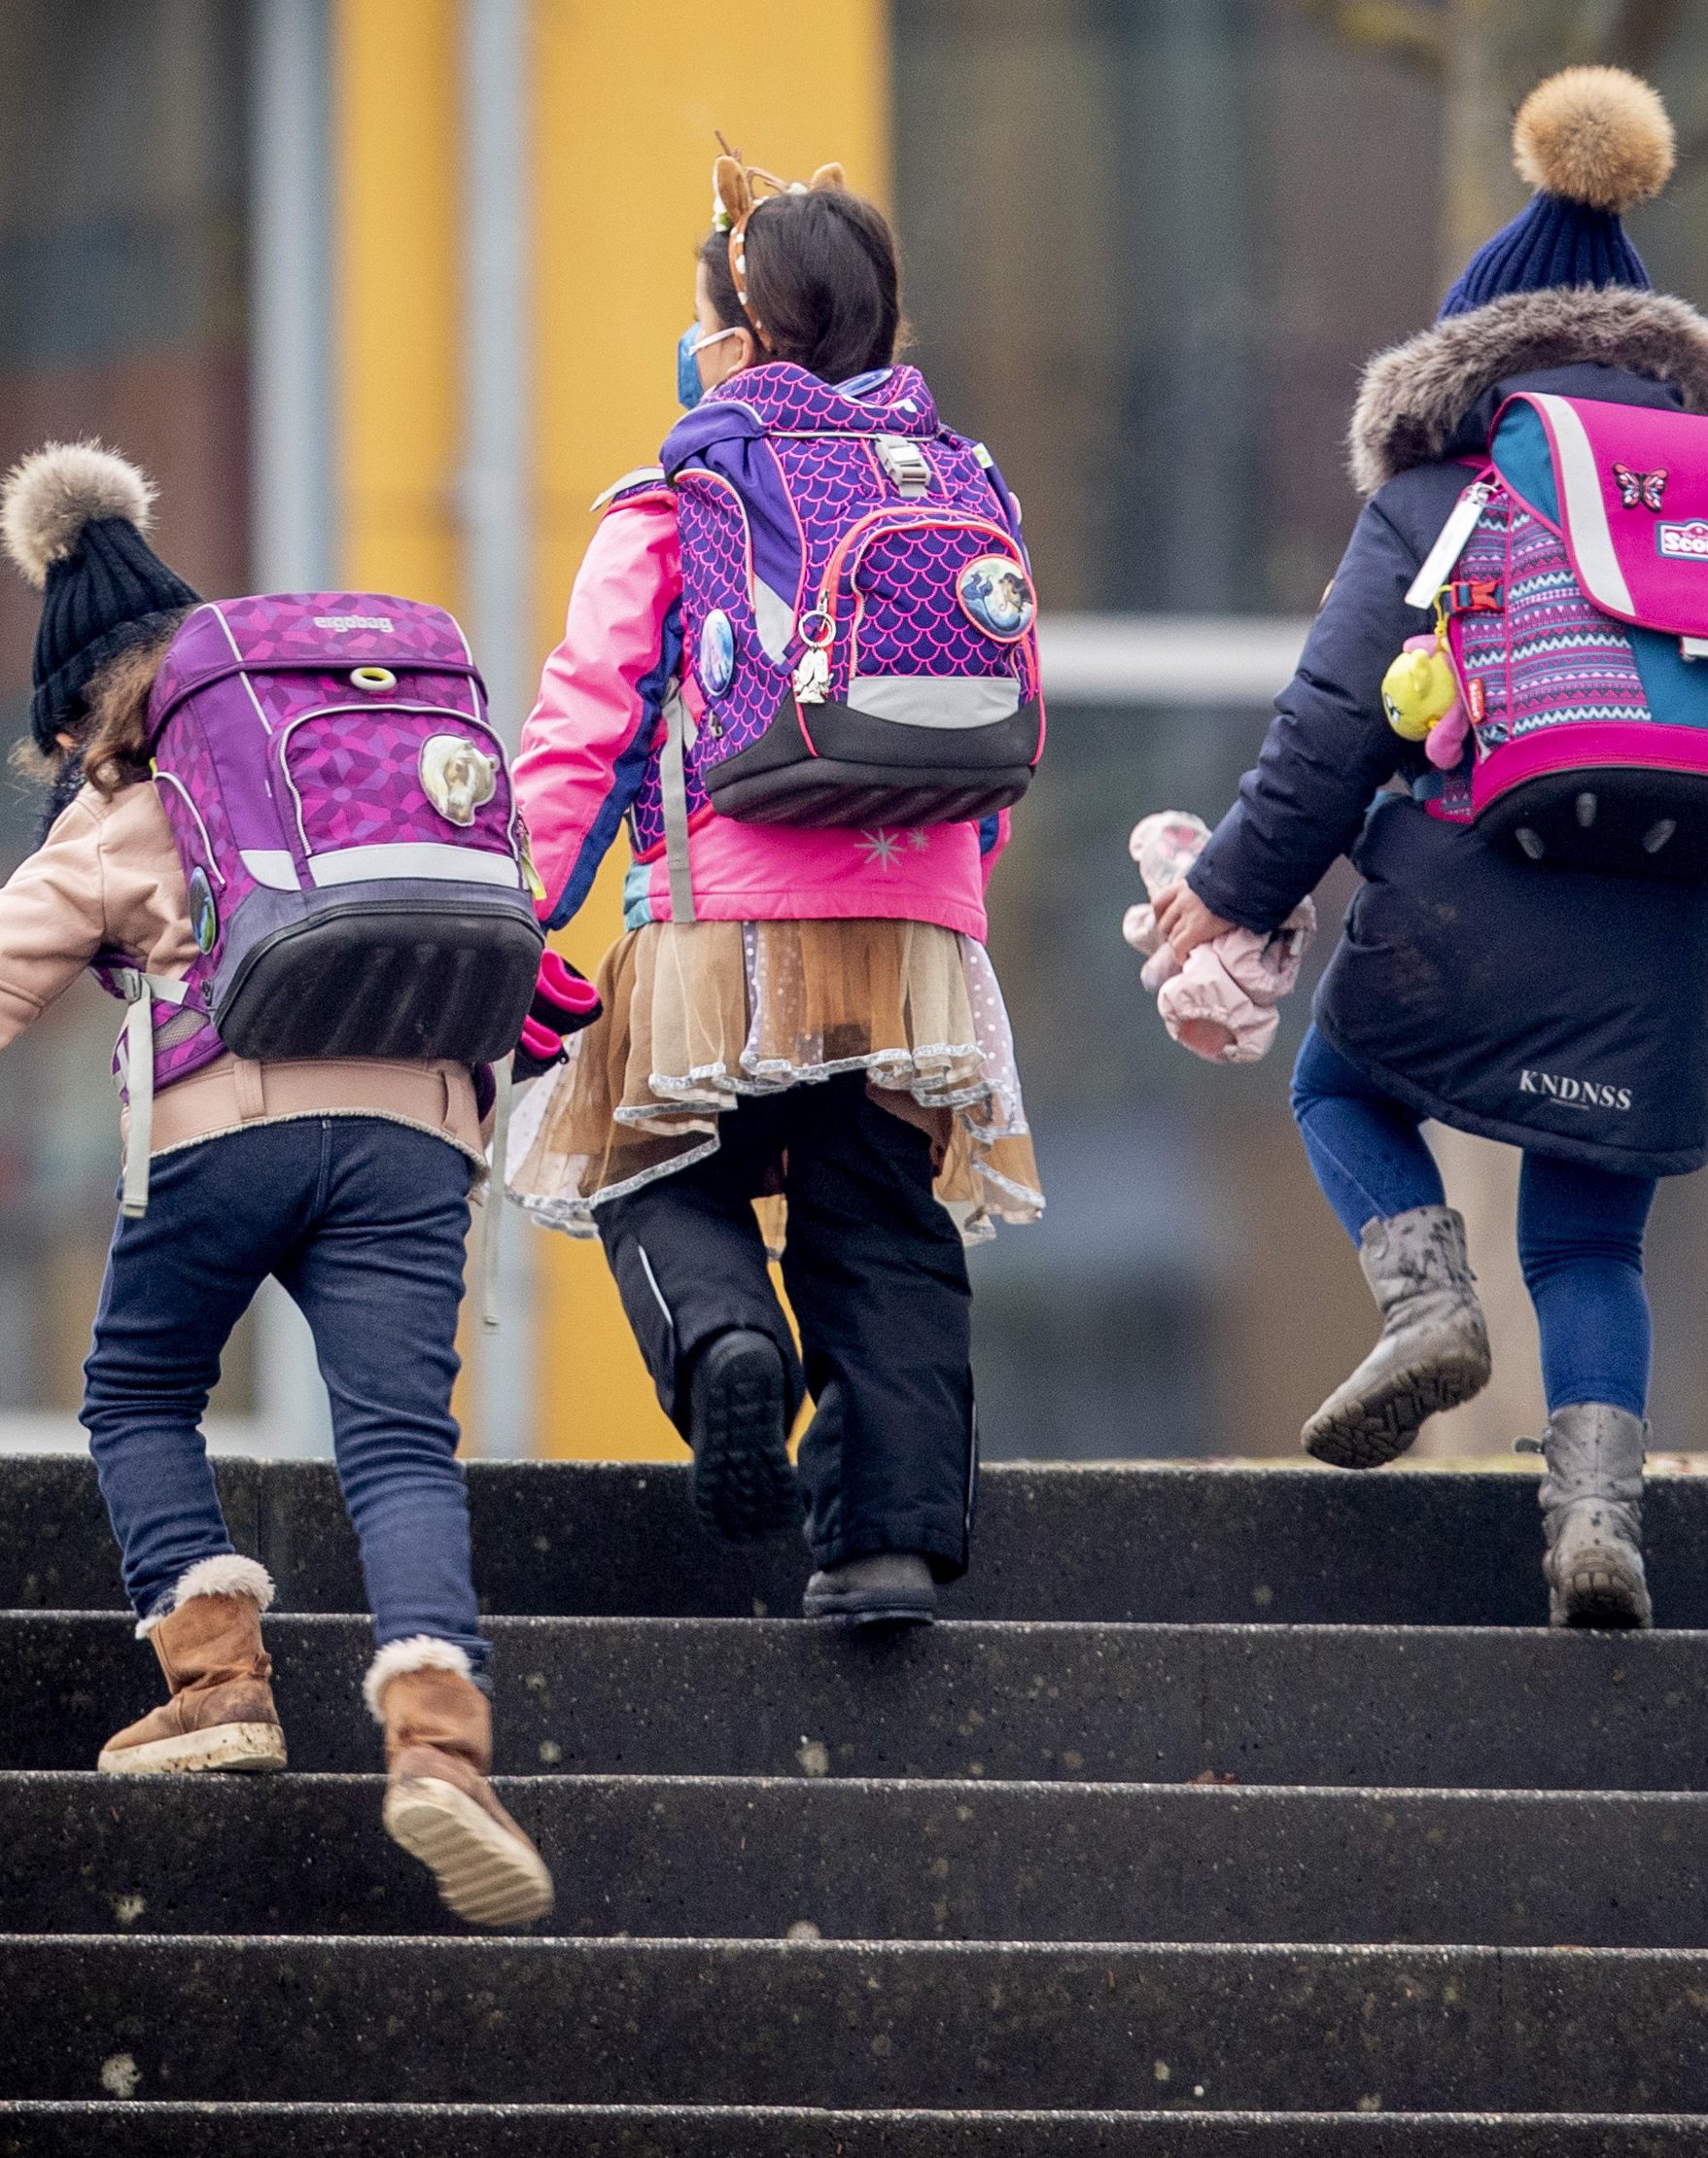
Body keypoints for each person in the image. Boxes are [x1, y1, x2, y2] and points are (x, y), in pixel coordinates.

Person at [0, 443, 556, 1927]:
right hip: (416, 1135)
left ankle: (219, 1682)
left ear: (81, 714)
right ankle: (442, 1742)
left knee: (136, 1390)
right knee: (397, 1437)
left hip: (225, 1126)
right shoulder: (327, 757)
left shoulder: (130, 802)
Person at [1154, 67, 1708, 1628]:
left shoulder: (1449, 483)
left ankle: (1429, 1312)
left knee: (1338, 1085)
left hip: (1481, 886)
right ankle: (1598, 1518)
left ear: (1470, 348)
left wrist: (1230, 896)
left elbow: (1336, 717)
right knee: (1588, 1229)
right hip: (1678, 922)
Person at [508, 157, 1041, 1630]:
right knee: (883, 1231)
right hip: (917, 937)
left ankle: (728, 1339)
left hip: (716, 929)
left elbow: (586, 729)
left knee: (648, 1163)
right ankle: (884, 1549)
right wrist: (943, 891)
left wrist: (520, 918)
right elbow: (987, 723)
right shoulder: (964, 480)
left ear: (734, 338)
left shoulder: (676, 494)